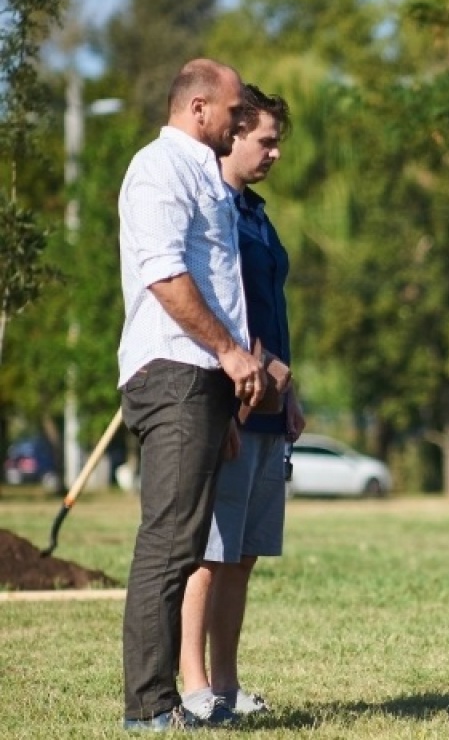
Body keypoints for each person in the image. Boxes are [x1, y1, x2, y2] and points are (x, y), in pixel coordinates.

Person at [117, 58, 266, 731]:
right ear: (199, 107)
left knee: (184, 541)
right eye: (234, 112)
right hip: (173, 374)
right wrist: (229, 353)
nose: (240, 123)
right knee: (170, 544)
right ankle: (149, 707)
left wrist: (221, 396)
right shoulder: (160, 168)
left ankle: (163, 701)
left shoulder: (203, 173)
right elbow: (166, 275)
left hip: (199, 383)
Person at [178, 84, 304, 723]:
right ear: (233, 135)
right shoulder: (215, 215)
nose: (276, 152)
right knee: (210, 552)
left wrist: (291, 389)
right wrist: (231, 399)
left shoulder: (257, 214)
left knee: (244, 553)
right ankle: (193, 685)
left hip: (269, 408)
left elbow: (270, 312)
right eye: (267, 140)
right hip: (230, 399)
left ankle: (225, 687)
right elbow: (219, 310)